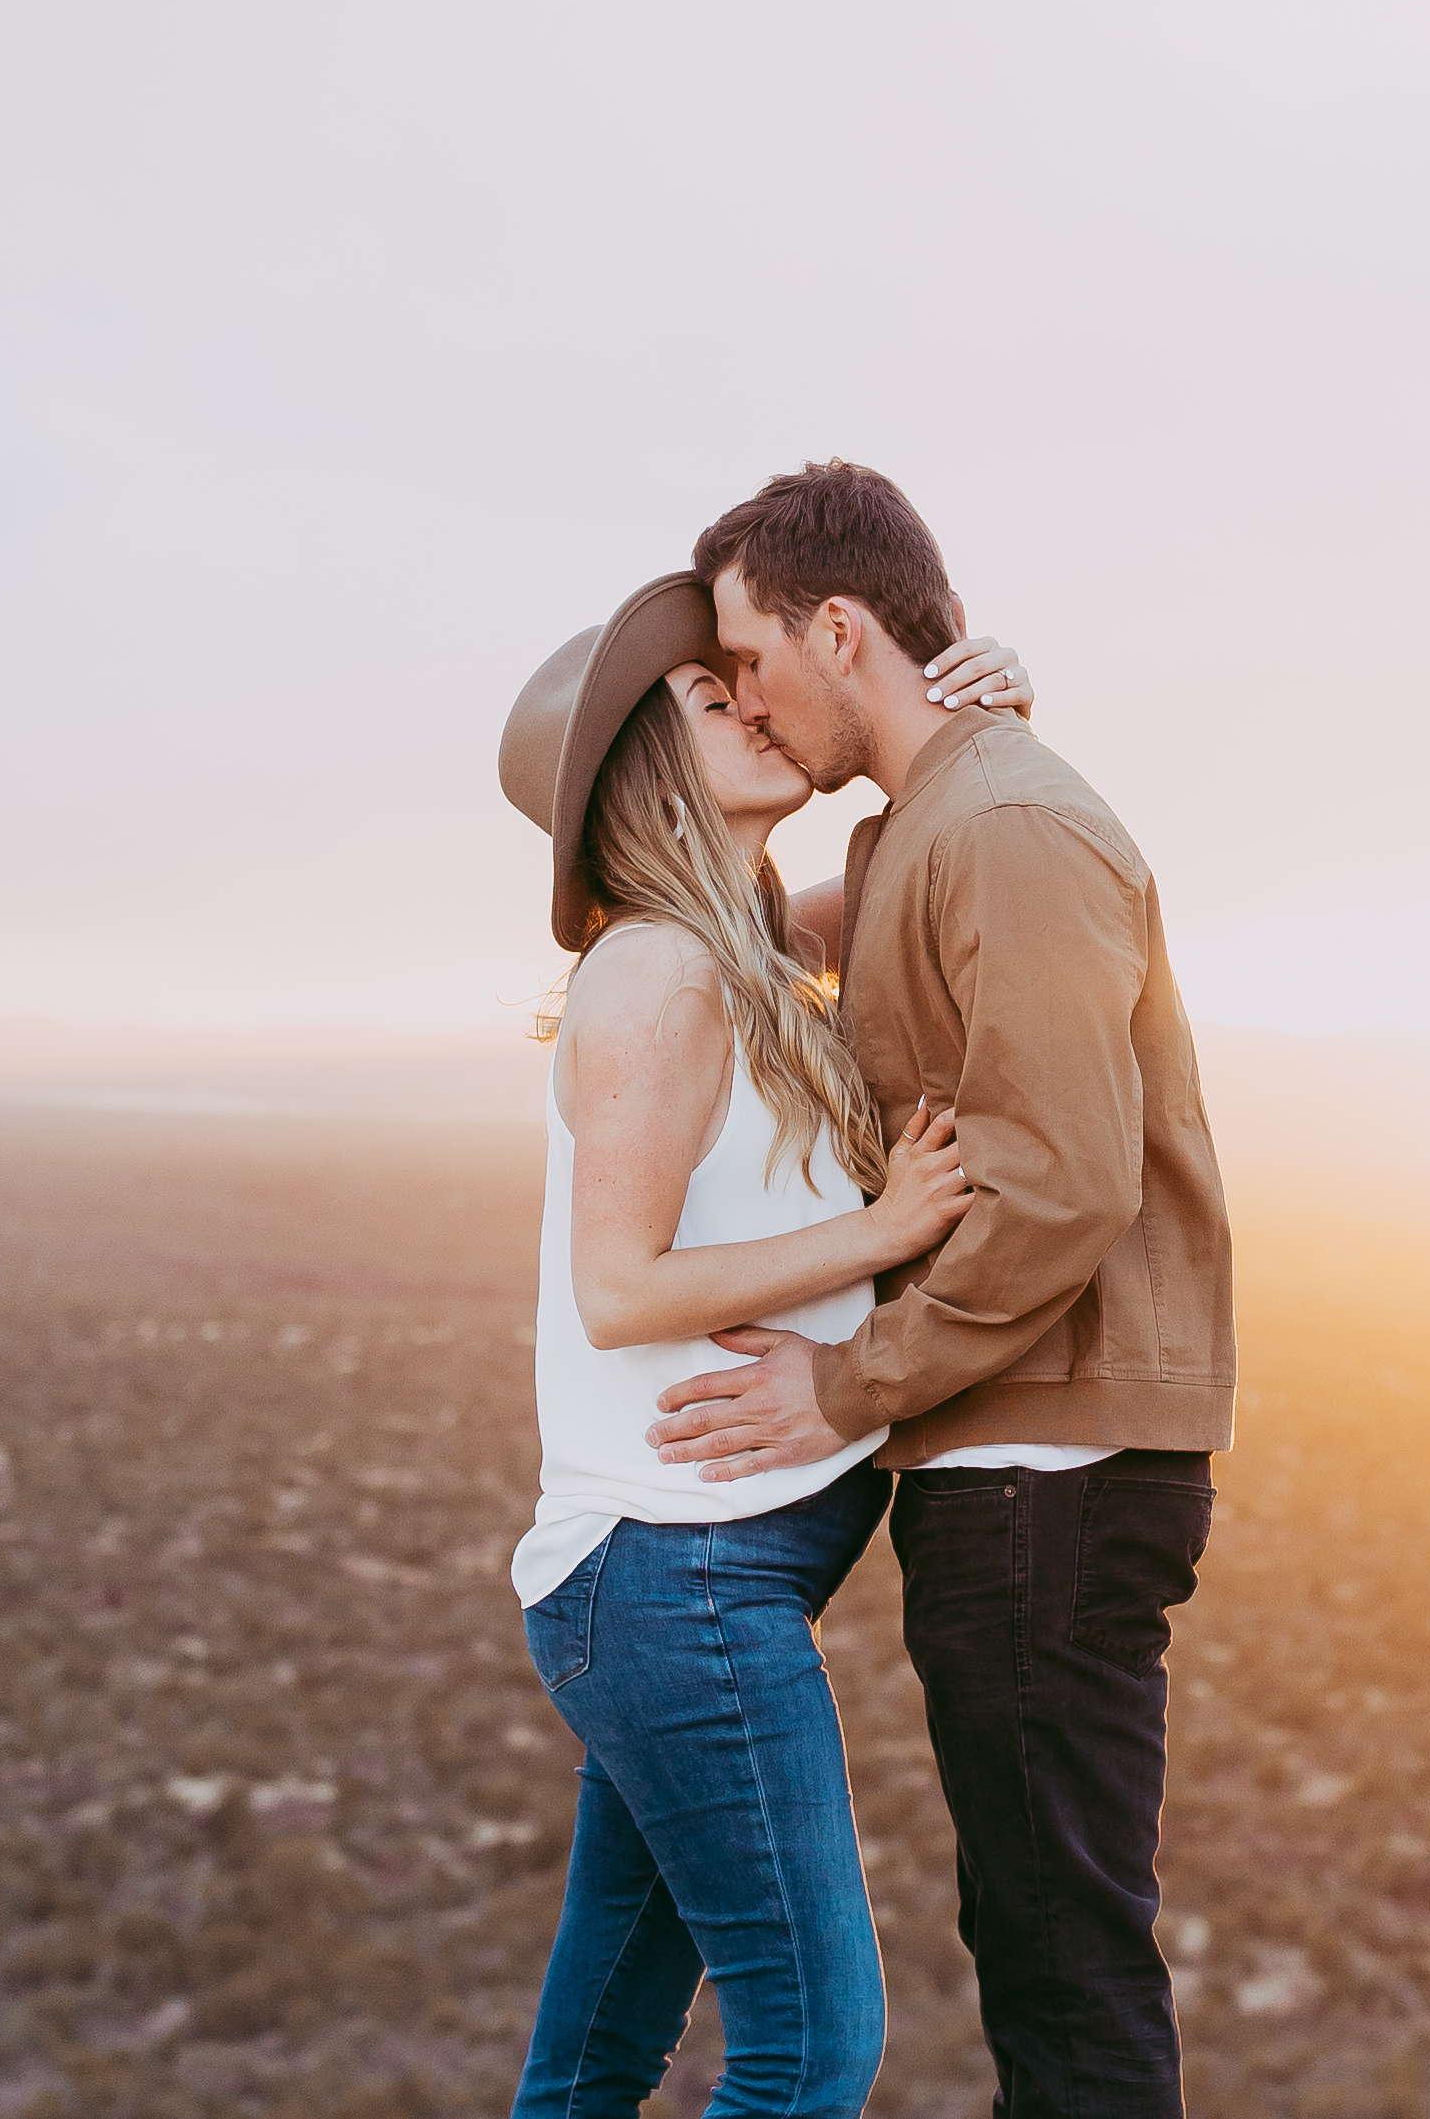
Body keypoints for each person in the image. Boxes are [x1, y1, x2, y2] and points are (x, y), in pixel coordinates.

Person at [650, 462, 1236, 2119]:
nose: (750, 697)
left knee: (1064, 1963)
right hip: (1002, 1463)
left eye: (752, 657)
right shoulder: (928, 820)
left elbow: (1059, 1182)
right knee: (1036, 1939)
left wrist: (843, 1382)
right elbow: (749, 936)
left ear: (841, 626)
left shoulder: (1006, 824)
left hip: (1046, 1467)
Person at [494, 572, 1036, 2119]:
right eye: (697, 695)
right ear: (634, 775)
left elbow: (904, 873)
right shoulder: (659, 968)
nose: (743, 695)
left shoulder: (734, 946)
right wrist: (881, 1230)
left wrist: (969, 718)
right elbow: (619, 1282)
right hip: (680, 1581)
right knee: (810, 2054)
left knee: (596, 2060)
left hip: (676, 1584)